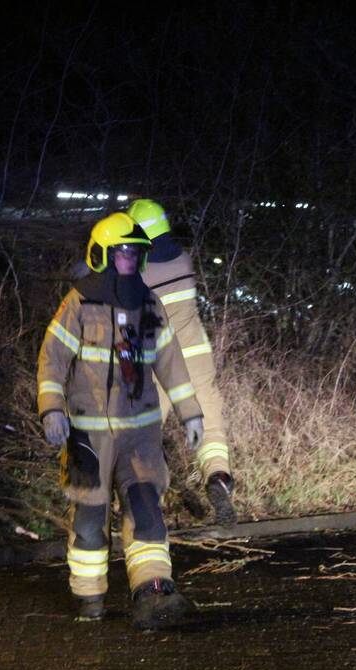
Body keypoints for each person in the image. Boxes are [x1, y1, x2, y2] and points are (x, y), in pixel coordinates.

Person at [37, 212, 205, 629]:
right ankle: (90, 596)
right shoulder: (78, 304)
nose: (132, 262)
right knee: (90, 519)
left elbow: (171, 363)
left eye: (136, 254)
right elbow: (52, 360)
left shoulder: (150, 305)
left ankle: (154, 593)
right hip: (88, 435)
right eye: (124, 253)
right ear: (103, 256)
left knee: (147, 510)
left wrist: (190, 413)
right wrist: (52, 408)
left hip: (141, 435)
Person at [128, 198, 237, 526]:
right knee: (210, 425)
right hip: (196, 356)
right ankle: (218, 475)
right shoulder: (183, 260)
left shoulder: (136, 271)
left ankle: (145, 502)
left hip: (159, 362)